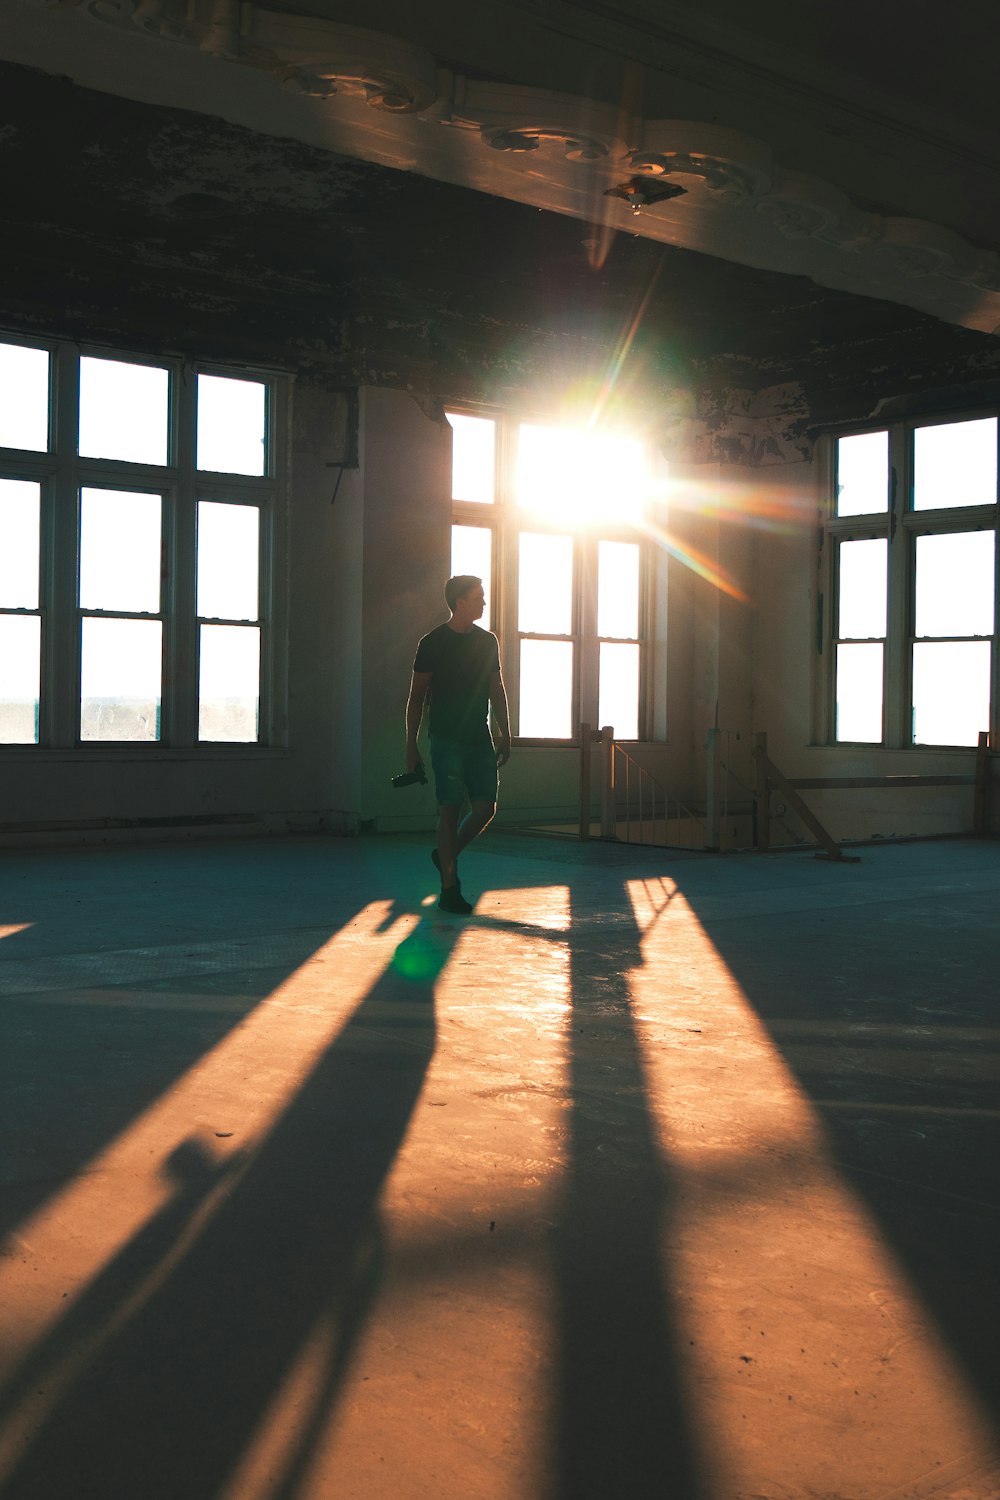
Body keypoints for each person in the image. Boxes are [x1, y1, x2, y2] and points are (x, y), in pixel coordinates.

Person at [405, 575, 511, 914]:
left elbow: (497, 688)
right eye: (478, 597)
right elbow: (416, 697)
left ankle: (445, 854)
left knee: (485, 809)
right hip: (446, 738)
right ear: (460, 602)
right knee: (449, 811)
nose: (484, 602)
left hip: (478, 736)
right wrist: (411, 744)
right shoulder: (432, 643)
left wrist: (505, 731)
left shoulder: (487, 641)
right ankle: (450, 889)